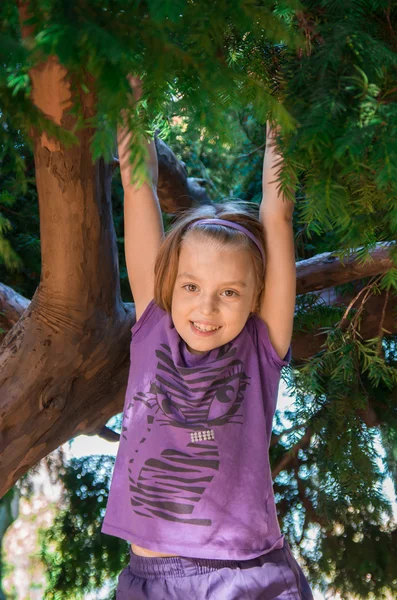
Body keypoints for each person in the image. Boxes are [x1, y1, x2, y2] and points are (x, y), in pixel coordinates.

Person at [101, 78, 313, 599]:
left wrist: (280, 113)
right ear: (169, 283)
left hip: (242, 578)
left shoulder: (261, 347)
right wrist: (130, 100)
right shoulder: (154, 326)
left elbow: (276, 212)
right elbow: (138, 188)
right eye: (192, 287)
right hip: (148, 581)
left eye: (230, 293)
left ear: (255, 298)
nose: (207, 306)